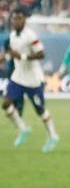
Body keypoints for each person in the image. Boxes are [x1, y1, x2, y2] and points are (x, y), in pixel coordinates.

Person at [2, 9, 59, 152]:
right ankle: (23, 129)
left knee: (40, 111)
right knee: (6, 104)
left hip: (33, 80)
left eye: (19, 19)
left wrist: (22, 56)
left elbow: (41, 54)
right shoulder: (13, 36)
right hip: (18, 77)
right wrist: (5, 57)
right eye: (14, 19)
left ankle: (53, 136)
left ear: (24, 21)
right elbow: (12, 53)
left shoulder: (30, 35)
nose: (16, 22)